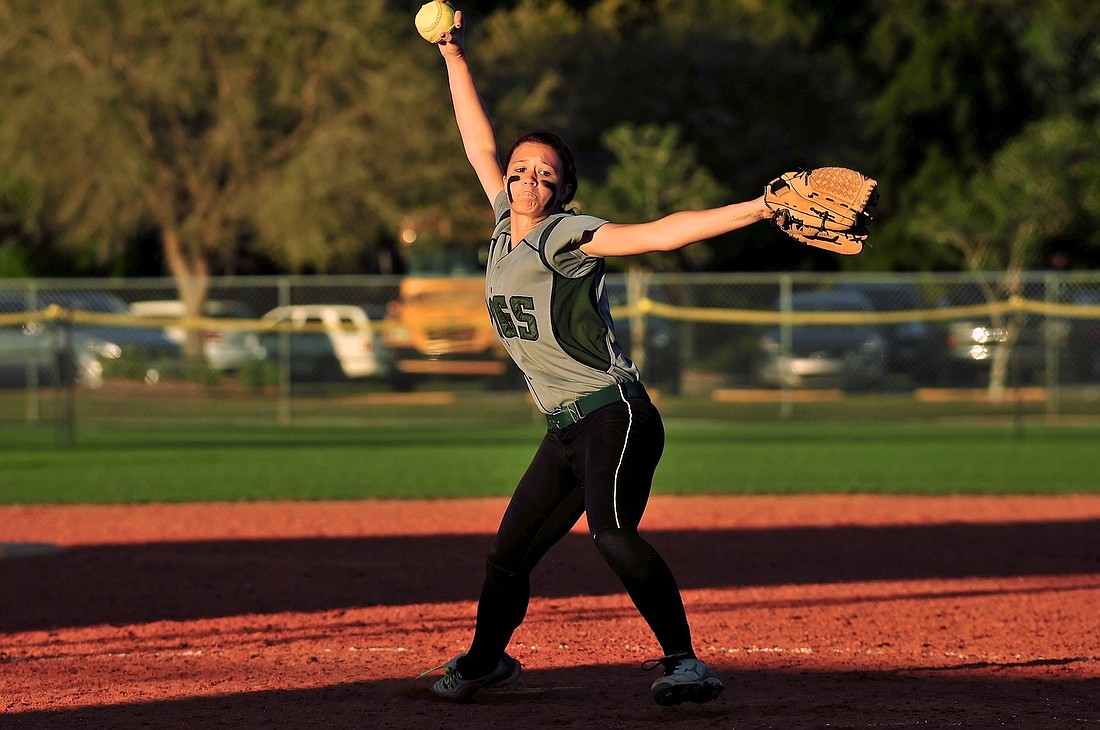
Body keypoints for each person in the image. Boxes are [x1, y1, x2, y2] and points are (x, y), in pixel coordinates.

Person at [422, 10, 772, 706]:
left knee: (612, 533)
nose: (525, 181)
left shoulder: (565, 236)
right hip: (563, 429)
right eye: (521, 171)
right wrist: (452, 54)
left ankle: (686, 663)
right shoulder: (502, 229)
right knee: (506, 558)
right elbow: (476, 142)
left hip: (616, 414)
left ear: (560, 192)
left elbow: (660, 234)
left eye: (543, 175)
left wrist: (760, 208)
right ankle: (487, 662)